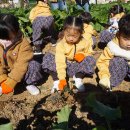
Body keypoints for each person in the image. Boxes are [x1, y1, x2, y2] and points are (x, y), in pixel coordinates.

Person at [42, 16, 96, 93]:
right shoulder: (61, 44)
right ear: (64, 32)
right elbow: (60, 62)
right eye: (68, 35)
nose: (71, 38)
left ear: (80, 33)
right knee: (48, 57)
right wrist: (62, 79)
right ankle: (56, 81)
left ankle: (78, 78)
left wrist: (83, 54)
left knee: (91, 59)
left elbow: (90, 52)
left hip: (77, 66)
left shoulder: (85, 42)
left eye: (74, 36)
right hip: (63, 67)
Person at [0, 14, 40, 95]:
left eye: (7, 38)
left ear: (17, 32)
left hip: (22, 71)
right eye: (1, 38)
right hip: (7, 72)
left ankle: (29, 83)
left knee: (34, 65)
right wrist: (3, 78)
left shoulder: (24, 44)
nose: (4, 41)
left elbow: (21, 65)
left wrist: (11, 82)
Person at [97, 14, 130, 91]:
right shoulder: (112, 47)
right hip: (120, 70)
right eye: (125, 39)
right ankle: (110, 86)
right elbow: (102, 62)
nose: (129, 43)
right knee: (118, 61)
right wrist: (104, 77)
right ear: (118, 35)